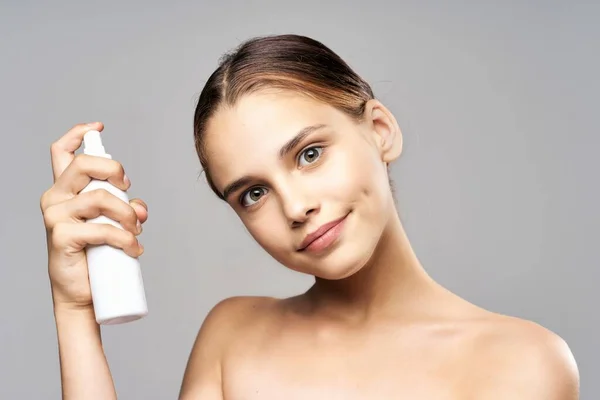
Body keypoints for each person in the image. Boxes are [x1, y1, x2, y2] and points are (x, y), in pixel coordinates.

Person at [40, 34, 579, 399]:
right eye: (253, 193)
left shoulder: (521, 362)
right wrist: (74, 311)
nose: (296, 208)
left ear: (380, 130)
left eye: (309, 154)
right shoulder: (232, 336)